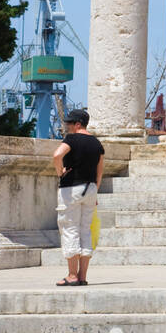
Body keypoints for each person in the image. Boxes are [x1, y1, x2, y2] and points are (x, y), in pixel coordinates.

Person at [52, 109, 105, 287]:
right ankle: (82, 276)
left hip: (71, 188)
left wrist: (61, 172)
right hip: (90, 189)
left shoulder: (72, 139)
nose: (67, 126)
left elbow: (57, 155)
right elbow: (100, 171)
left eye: (69, 123)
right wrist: (95, 190)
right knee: (85, 231)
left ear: (77, 124)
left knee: (69, 229)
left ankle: (72, 275)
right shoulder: (97, 143)